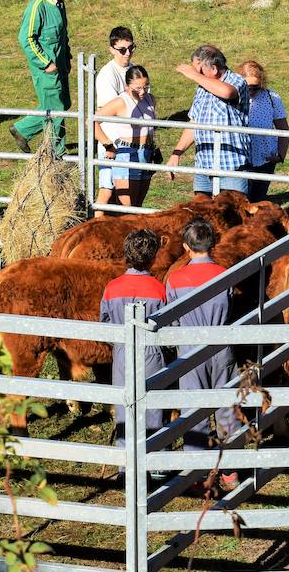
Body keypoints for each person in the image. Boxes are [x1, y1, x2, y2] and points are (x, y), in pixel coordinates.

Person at [164, 218, 239, 491]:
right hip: (221, 348)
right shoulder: (225, 275)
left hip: (189, 351)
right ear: (213, 244)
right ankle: (229, 470)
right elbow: (229, 306)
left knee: (193, 411)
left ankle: (197, 472)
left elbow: (171, 317)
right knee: (226, 408)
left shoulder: (175, 279)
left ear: (186, 247)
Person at [98, 229, 167, 460]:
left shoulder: (112, 288)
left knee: (124, 409)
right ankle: (153, 463)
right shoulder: (159, 289)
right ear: (154, 256)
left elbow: (105, 323)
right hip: (151, 352)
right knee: (153, 407)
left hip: (122, 352)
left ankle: (124, 464)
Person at [167, 45, 251, 197]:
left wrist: (194, 75)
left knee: (232, 215)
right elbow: (194, 123)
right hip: (203, 166)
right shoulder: (202, 87)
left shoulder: (236, 81)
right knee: (203, 215)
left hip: (231, 166)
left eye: (199, 70)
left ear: (213, 69)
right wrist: (176, 153)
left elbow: (227, 92)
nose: (197, 75)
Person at [10, 0, 71, 156]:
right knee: (56, 109)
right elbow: (26, 38)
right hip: (46, 69)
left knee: (62, 103)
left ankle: (22, 130)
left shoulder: (59, 5)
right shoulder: (37, 6)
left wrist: (67, 57)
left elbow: (63, 35)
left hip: (60, 65)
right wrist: (45, 63)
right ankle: (55, 153)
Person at [93, 65, 158, 211]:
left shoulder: (150, 99)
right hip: (128, 153)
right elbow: (91, 121)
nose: (142, 92)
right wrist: (108, 145)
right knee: (127, 209)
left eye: (146, 87)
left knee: (138, 207)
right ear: (127, 85)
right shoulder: (120, 102)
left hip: (146, 152)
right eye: (137, 88)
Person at [93, 26, 136, 214]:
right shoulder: (107, 74)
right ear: (112, 49)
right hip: (111, 140)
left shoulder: (134, 70)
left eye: (131, 48)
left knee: (127, 190)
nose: (127, 53)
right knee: (106, 190)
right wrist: (107, 144)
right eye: (122, 50)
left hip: (131, 140)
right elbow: (112, 109)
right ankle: (96, 226)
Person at [237, 60, 289, 202]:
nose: (251, 91)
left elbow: (283, 129)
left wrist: (280, 155)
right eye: (247, 87)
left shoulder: (272, 98)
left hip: (265, 161)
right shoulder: (233, 97)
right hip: (241, 161)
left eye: (255, 87)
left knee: (258, 202)